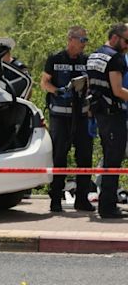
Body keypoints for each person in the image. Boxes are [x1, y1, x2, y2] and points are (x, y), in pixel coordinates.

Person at [41, 26, 95, 213]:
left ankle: (82, 199)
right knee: (59, 158)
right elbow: (44, 82)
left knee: (85, 158)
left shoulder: (86, 61)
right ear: (71, 39)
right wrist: (57, 91)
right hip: (60, 118)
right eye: (82, 40)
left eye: (86, 40)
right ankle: (55, 200)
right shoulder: (55, 59)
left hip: (81, 118)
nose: (84, 44)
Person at [87, 23, 128, 218]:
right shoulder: (116, 58)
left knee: (109, 158)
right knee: (113, 160)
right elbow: (118, 90)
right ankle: (107, 207)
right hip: (112, 114)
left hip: (100, 113)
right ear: (115, 38)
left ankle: (107, 204)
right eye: (126, 41)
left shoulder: (95, 54)